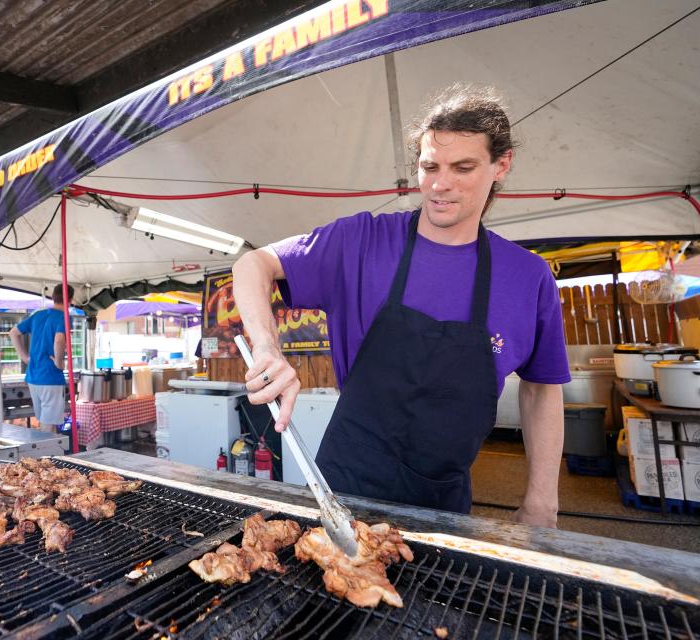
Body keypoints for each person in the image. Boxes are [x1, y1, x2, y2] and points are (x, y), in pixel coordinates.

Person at [232, 84, 569, 528]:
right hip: (345, 488)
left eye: (462, 167)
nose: (439, 184)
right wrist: (267, 348)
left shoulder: (527, 277)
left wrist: (542, 499)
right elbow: (253, 264)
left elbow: (542, 388)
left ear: (501, 165)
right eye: (429, 167)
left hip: (445, 501)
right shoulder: (362, 242)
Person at [9, 284, 72, 432]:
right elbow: (59, 339)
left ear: (53, 297)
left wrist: (24, 357)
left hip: (33, 377)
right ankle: (46, 454)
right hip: (50, 376)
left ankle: (48, 453)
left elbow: (13, 333)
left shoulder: (38, 315)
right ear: (70, 299)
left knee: (45, 421)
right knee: (47, 426)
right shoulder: (63, 317)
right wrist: (58, 361)